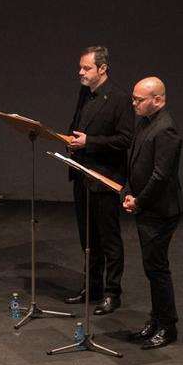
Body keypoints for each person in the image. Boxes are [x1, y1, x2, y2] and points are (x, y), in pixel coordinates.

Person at [64, 46, 134, 315]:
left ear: (102, 69)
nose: (80, 72)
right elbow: (78, 126)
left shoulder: (119, 99)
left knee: (109, 239)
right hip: (82, 174)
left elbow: (125, 139)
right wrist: (71, 141)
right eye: (81, 67)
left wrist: (89, 142)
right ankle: (92, 287)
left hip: (104, 178)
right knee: (88, 237)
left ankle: (112, 292)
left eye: (86, 68)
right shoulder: (85, 93)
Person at [122, 77, 182, 349]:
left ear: (158, 100)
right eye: (133, 98)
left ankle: (167, 326)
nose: (134, 103)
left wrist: (139, 202)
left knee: (157, 268)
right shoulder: (145, 122)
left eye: (139, 99)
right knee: (151, 267)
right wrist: (128, 193)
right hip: (146, 207)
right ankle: (156, 319)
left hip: (159, 211)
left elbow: (160, 176)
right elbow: (136, 161)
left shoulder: (165, 129)